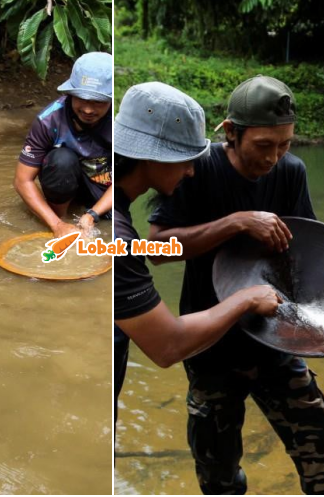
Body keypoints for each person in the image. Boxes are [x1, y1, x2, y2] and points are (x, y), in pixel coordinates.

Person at [147, 76, 324, 495]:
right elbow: (157, 248)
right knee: (217, 468)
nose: (275, 157)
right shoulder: (196, 168)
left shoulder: (291, 172)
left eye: (285, 144)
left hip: (274, 337)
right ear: (231, 132)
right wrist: (237, 222)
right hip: (210, 340)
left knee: (320, 442)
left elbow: (303, 253)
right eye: (264, 145)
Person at [113, 82, 282, 420]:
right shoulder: (119, 238)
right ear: (151, 156)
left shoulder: (109, 208)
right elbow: (167, 346)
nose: (191, 170)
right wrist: (247, 298)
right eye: (185, 159)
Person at [14, 52, 113, 238]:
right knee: (61, 160)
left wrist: (92, 214)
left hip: (104, 185)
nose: (88, 109)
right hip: (65, 180)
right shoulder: (49, 121)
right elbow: (22, 180)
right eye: (81, 98)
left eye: (98, 102)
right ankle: (61, 217)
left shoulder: (119, 122)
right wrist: (57, 224)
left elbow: (126, 179)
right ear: (70, 94)